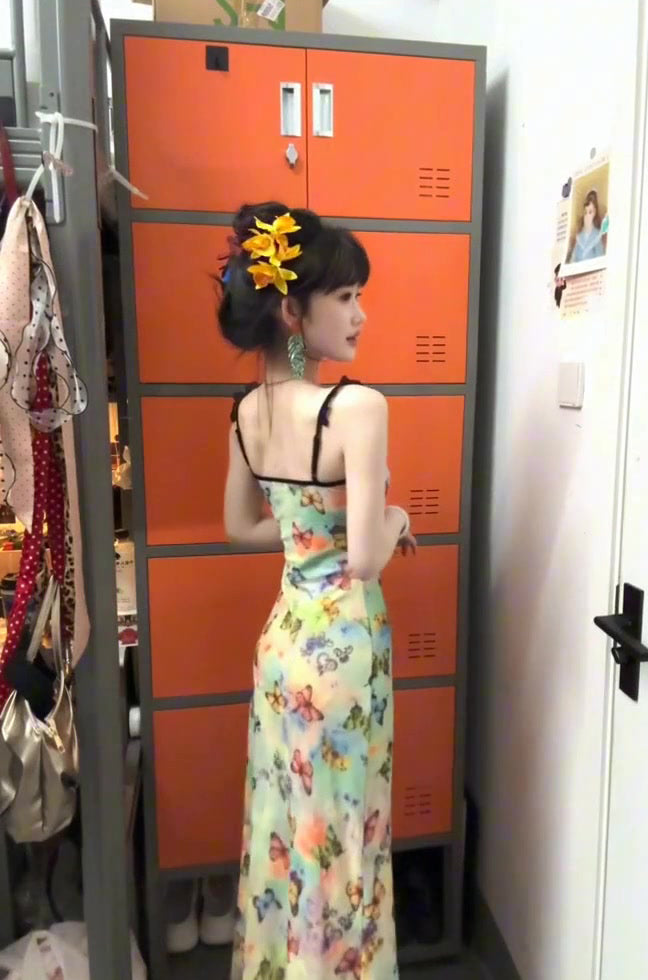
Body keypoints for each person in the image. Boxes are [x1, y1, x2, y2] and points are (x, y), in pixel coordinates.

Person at [219, 202, 416, 980]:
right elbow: (365, 559)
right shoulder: (356, 407)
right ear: (292, 313)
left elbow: (239, 526)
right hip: (342, 658)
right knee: (345, 836)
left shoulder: (247, 412)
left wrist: (310, 533)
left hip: (283, 652)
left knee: (289, 827)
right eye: (345, 297)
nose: (361, 315)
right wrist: (395, 516)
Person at [568, 188, 606, 263]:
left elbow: (600, 260)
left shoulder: (597, 236)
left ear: (595, 213)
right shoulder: (579, 236)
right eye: (585, 212)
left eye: (590, 212)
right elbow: (573, 260)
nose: (587, 216)